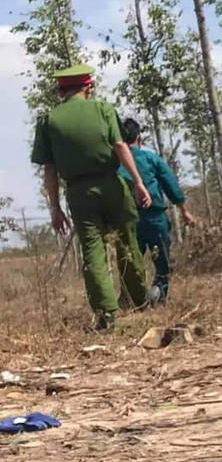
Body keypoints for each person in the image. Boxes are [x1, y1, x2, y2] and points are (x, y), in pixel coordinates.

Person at [29, 64, 151, 331]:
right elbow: (120, 145)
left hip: (78, 192)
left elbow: (49, 169)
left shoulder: (48, 121)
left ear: (61, 90)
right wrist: (139, 182)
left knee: (93, 250)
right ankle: (139, 301)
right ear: (88, 86)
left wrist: (54, 207)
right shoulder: (102, 109)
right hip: (111, 184)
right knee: (127, 241)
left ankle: (107, 313)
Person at [117, 118, 197, 305]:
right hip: (155, 218)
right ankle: (158, 296)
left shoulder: (115, 164)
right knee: (162, 263)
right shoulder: (151, 159)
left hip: (128, 221)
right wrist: (185, 212)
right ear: (139, 138)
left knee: (130, 264)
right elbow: (171, 186)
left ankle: (132, 299)